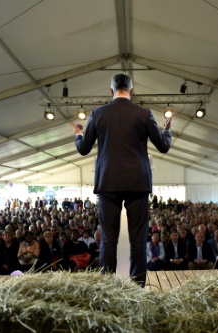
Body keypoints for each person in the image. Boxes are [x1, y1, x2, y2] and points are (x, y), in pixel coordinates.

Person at [72, 73, 172, 286]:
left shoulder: (98, 114)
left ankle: (109, 289)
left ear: (111, 91)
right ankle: (137, 288)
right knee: (138, 240)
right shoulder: (144, 114)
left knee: (108, 241)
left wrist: (78, 136)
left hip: (108, 182)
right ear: (132, 90)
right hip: (138, 183)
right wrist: (167, 131)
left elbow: (83, 149)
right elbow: (163, 146)